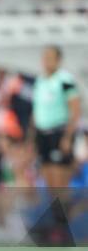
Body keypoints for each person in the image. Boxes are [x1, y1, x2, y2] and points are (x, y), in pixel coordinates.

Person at [32, 45, 81, 188]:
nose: (46, 61)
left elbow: (76, 110)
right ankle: (56, 209)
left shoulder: (65, 79)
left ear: (58, 60)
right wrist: (32, 138)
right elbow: (36, 110)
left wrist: (67, 137)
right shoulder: (39, 80)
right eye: (44, 58)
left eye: (50, 58)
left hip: (59, 132)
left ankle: (66, 209)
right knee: (48, 181)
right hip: (42, 133)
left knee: (60, 181)